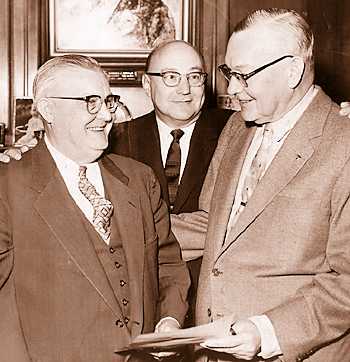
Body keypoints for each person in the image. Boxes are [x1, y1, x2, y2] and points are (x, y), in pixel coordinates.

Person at [172, 8, 350, 362]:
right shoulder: (239, 128)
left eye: (244, 75)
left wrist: (267, 331)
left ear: (292, 70)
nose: (232, 89)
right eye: (228, 73)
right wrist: (117, 229)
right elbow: (216, 227)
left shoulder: (343, 142)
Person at [0, 54, 190, 362]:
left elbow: (167, 266)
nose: (105, 115)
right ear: (49, 109)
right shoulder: (7, 185)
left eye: (108, 101)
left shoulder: (140, 180)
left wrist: (169, 320)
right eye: (90, 102)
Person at [109, 40, 231, 327]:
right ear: (147, 84)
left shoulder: (237, 132)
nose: (185, 89)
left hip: (213, 305)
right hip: (142, 305)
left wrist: (140, 238)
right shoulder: (115, 139)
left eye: (194, 76)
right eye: (171, 77)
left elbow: (234, 226)